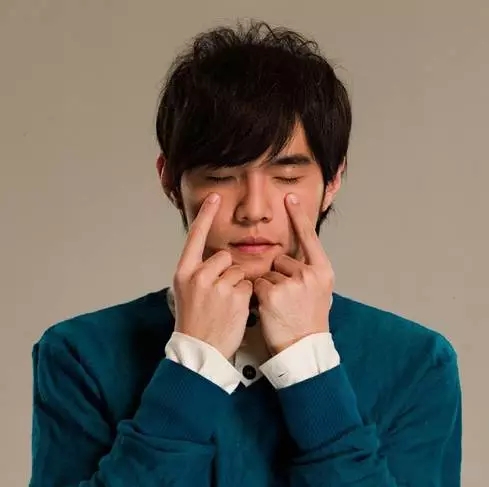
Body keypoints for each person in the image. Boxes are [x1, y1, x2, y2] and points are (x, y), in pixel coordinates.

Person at [29, 21, 462, 487]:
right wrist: (194, 363)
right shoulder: (81, 354)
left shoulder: (417, 363)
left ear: (333, 180)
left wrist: (310, 367)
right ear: (170, 181)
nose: (254, 209)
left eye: (287, 176)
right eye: (220, 175)